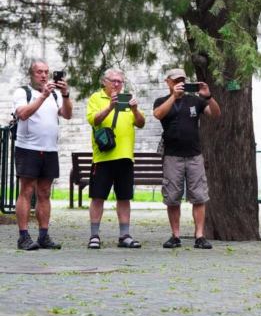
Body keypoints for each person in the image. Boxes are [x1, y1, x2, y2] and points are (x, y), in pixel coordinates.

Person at [153, 69, 221, 250]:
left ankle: (199, 236)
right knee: (172, 198)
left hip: (194, 156)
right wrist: (173, 97)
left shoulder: (195, 101)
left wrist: (208, 96)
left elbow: (215, 114)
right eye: (176, 80)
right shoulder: (161, 101)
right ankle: (175, 236)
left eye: (182, 80)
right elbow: (158, 114)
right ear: (168, 82)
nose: (180, 83)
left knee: (199, 197)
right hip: (172, 157)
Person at [12, 59, 73, 250]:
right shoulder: (23, 92)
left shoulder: (55, 94)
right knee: (27, 191)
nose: (44, 75)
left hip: (50, 149)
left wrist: (65, 94)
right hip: (28, 148)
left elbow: (67, 114)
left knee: (45, 192)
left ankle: (44, 235)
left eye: (46, 72)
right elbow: (23, 114)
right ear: (31, 74)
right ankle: (23, 236)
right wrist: (43, 96)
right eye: (39, 72)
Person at [85, 68, 146, 249]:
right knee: (98, 197)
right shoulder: (96, 98)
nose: (117, 84)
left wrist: (135, 109)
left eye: (120, 81)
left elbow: (141, 123)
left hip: (125, 157)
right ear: (104, 81)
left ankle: (124, 235)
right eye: (113, 81)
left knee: (124, 197)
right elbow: (93, 120)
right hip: (103, 158)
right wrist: (110, 107)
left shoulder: (127, 99)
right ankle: (94, 235)